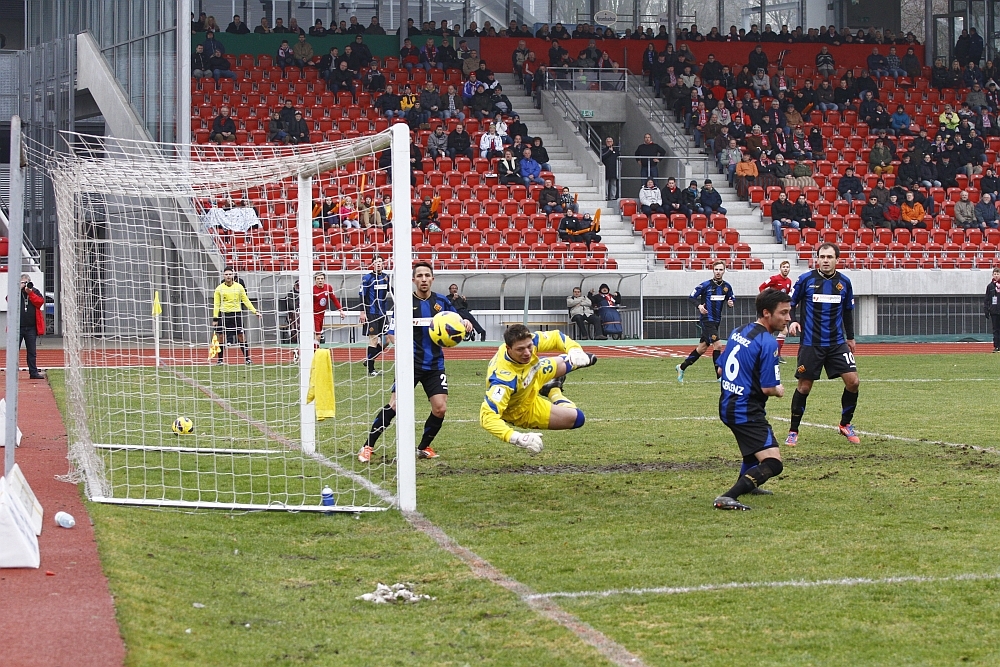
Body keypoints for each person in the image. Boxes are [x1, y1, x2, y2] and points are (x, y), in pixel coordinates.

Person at [358, 262, 472, 463]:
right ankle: (368, 446)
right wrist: (404, 350)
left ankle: (423, 447)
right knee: (395, 405)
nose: (424, 279)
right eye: (419, 276)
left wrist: (465, 323)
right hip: (410, 364)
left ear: (432, 279)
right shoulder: (404, 303)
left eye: (427, 275)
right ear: (413, 280)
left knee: (440, 408)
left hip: (435, 364)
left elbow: (457, 320)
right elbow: (392, 334)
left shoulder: (441, 301)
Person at [713, 288, 792, 511]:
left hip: (728, 403)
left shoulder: (739, 331)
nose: (788, 318)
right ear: (766, 313)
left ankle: (749, 485)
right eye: (783, 313)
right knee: (773, 463)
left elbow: (720, 370)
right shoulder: (768, 343)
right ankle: (728, 496)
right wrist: (779, 390)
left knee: (752, 452)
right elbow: (768, 388)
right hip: (746, 410)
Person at [479, 324, 597, 455]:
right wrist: (517, 438)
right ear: (508, 348)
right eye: (520, 349)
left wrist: (574, 349)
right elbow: (487, 417)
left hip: (534, 375)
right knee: (577, 418)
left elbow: (556, 337)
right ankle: (553, 391)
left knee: (585, 359)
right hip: (522, 409)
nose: (527, 353)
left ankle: (549, 381)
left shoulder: (530, 341)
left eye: (529, 346)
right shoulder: (503, 380)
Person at [785, 243, 860, 447]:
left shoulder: (844, 283)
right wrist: (792, 321)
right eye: (822, 256)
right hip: (811, 343)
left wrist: (851, 337)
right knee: (804, 387)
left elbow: (847, 311)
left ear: (837, 259)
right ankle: (793, 431)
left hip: (837, 343)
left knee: (853, 382)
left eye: (829, 257)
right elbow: (789, 303)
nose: (825, 260)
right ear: (817, 258)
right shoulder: (805, 280)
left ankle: (845, 424)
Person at [676, 261, 734, 382]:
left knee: (701, 349)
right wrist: (699, 306)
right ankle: (719, 377)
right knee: (718, 345)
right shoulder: (705, 285)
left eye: (721, 270)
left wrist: (730, 303)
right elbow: (691, 297)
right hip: (707, 319)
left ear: (724, 271)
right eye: (716, 269)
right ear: (713, 270)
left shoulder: (727, 287)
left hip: (716, 321)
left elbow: (731, 298)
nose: (718, 272)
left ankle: (681, 367)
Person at [212, 267, 261, 365]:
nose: (228, 276)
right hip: (224, 315)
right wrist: (215, 318)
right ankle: (220, 360)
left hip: (236, 314)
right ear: (223, 276)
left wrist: (255, 311)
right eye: (226, 274)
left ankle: (247, 358)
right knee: (221, 336)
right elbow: (216, 304)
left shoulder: (239, 287)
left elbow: (246, 300)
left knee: (241, 336)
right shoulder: (219, 289)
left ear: (233, 275)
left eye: (230, 274)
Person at [359, 256, 392, 376]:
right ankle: (371, 370)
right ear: (372, 264)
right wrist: (362, 312)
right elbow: (362, 295)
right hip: (371, 313)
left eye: (380, 262)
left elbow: (391, 290)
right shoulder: (367, 278)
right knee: (374, 339)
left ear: (383, 264)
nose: (378, 264)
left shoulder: (386, 277)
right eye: (376, 262)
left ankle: (369, 359)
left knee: (387, 340)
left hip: (383, 313)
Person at [17, 274, 46, 379]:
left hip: (31, 327)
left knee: (32, 352)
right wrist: (18, 289)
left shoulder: (35, 291)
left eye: (26, 282)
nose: (25, 284)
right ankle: (12, 372)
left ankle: (33, 372)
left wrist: (30, 293)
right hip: (18, 327)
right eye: (23, 282)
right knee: (14, 351)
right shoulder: (16, 292)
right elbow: (9, 300)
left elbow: (40, 302)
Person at [313, 272, 345, 345]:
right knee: (318, 335)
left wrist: (341, 310)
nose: (320, 280)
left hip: (322, 314)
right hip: (314, 314)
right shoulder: (313, 289)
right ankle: (315, 350)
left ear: (324, 279)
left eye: (322, 279)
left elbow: (334, 299)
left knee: (318, 335)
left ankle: (315, 349)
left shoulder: (328, 288)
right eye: (318, 279)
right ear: (315, 280)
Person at [984, 268, 1000, 352]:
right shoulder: (990, 286)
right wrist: (986, 309)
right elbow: (987, 299)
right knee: (995, 329)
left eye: (998, 274)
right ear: (993, 275)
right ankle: (996, 346)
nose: (996, 276)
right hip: (994, 311)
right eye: (995, 274)